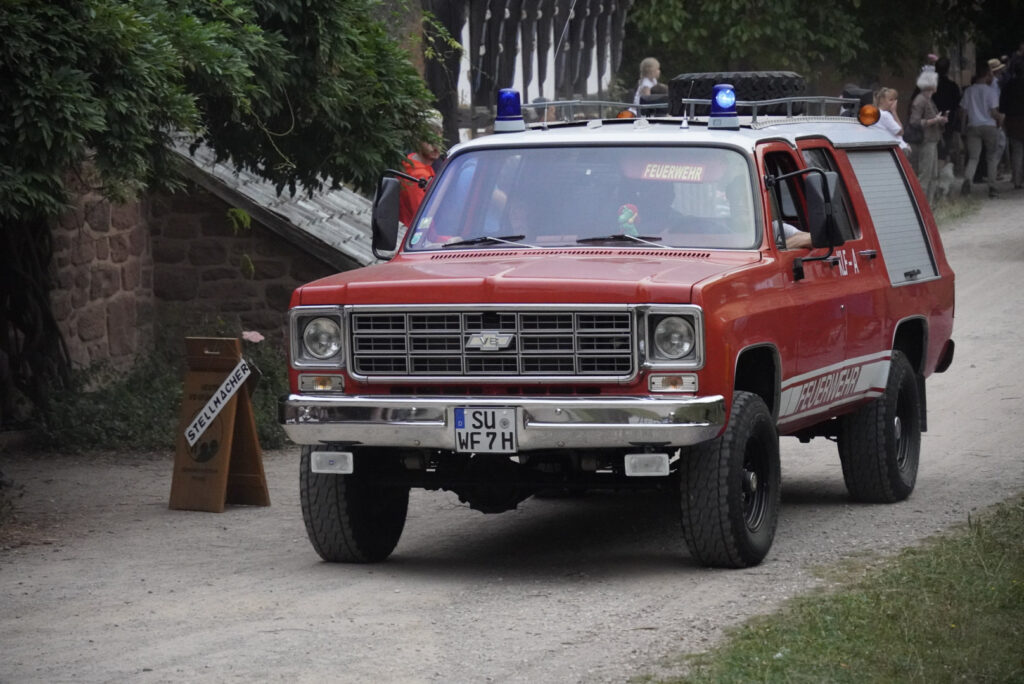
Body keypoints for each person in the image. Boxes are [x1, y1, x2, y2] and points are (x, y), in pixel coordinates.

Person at [961, 66, 1005, 198]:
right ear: (986, 75)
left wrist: (963, 128)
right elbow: (993, 112)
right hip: (989, 126)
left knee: (974, 157)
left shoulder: (969, 91)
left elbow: (963, 112)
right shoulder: (991, 92)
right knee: (991, 157)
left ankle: (967, 182)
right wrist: (1001, 118)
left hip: (973, 126)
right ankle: (992, 187)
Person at [398, 111, 444, 227]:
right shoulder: (418, 175)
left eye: (439, 136)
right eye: (429, 138)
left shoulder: (412, 163)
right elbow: (423, 221)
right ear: (417, 139)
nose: (435, 144)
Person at [910, 68, 947, 203]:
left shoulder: (928, 100)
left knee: (933, 175)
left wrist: (940, 120)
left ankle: (930, 205)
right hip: (926, 140)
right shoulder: (920, 100)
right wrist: (935, 120)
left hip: (933, 139)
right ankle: (922, 205)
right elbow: (914, 121)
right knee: (925, 175)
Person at [933, 57, 963, 176]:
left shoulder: (928, 86)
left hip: (930, 121)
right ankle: (940, 174)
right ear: (948, 69)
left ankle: (935, 174)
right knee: (944, 150)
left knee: (932, 149)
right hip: (947, 122)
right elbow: (957, 106)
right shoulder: (952, 86)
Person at [1000, 59, 1024, 189]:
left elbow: (1002, 106)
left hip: (1013, 120)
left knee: (1017, 151)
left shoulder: (1008, 85)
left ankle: (1017, 180)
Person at [872, 87, 910, 152]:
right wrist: (894, 112)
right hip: (899, 149)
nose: (894, 103)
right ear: (882, 100)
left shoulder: (875, 113)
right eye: (891, 100)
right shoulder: (885, 115)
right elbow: (900, 132)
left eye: (895, 100)